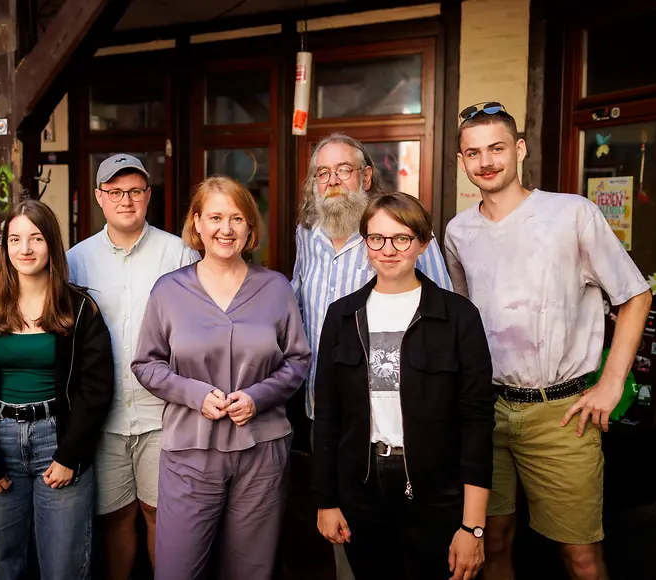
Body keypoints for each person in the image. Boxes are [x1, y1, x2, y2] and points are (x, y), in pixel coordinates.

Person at [445, 102, 652, 580]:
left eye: (497, 148)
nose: (486, 161)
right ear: (462, 162)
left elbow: (635, 296)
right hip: (486, 411)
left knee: (579, 555)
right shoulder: (458, 232)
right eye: (474, 153)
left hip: (561, 413)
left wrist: (611, 383)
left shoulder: (570, 214)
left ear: (519, 149)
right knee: (491, 541)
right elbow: (462, 321)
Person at [132, 176, 311, 580]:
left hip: (262, 452)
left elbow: (298, 359)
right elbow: (146, 363)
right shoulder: (169, 291)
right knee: (178, 570)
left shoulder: (276, 287)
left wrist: (258, 397)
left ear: (250, 227)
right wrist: (194, 394)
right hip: (190, 454)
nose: (225, 229)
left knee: (251, 570)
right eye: (214, 217)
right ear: (196, 223)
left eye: (236, 218)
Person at [292, 132, 454, 579]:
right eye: (323, 173)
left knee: (413, 548)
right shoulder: (307, 236)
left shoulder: (398, 232)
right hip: (324, 413)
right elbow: (299, 311)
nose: (334, 182)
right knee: (347, 540)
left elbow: (440, 319)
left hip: (397, 419)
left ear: (365, 175)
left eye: (344, 170)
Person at [312, 191, 495, 580]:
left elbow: (477, 422)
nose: (388, 249)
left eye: (402, 238)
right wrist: (326, 501)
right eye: (377, 238)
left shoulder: (458, 316)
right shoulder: (342, 316)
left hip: (438, 491)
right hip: (360, 487)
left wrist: (472, 526)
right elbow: (327, 416)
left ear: (423, 244)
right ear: (366, 244)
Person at [0, 200, 114, 580]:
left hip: (59, 439)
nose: (26, 249)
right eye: (15, 239)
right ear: (4, 248)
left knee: (63, 566)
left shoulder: (79, 308)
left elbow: (95, 388)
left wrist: (70, 454)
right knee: (5, 563)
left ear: (51, 243)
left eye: (36, 238)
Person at [67, 154, 199, 579]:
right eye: (116, 192)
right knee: (114, 517)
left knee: (162, 517)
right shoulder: (76, 260)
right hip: (102, 418)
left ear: (148, 196)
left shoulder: (179, 253)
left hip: (164, 416)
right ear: (99, 198)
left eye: (135, 191)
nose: (126, 200)